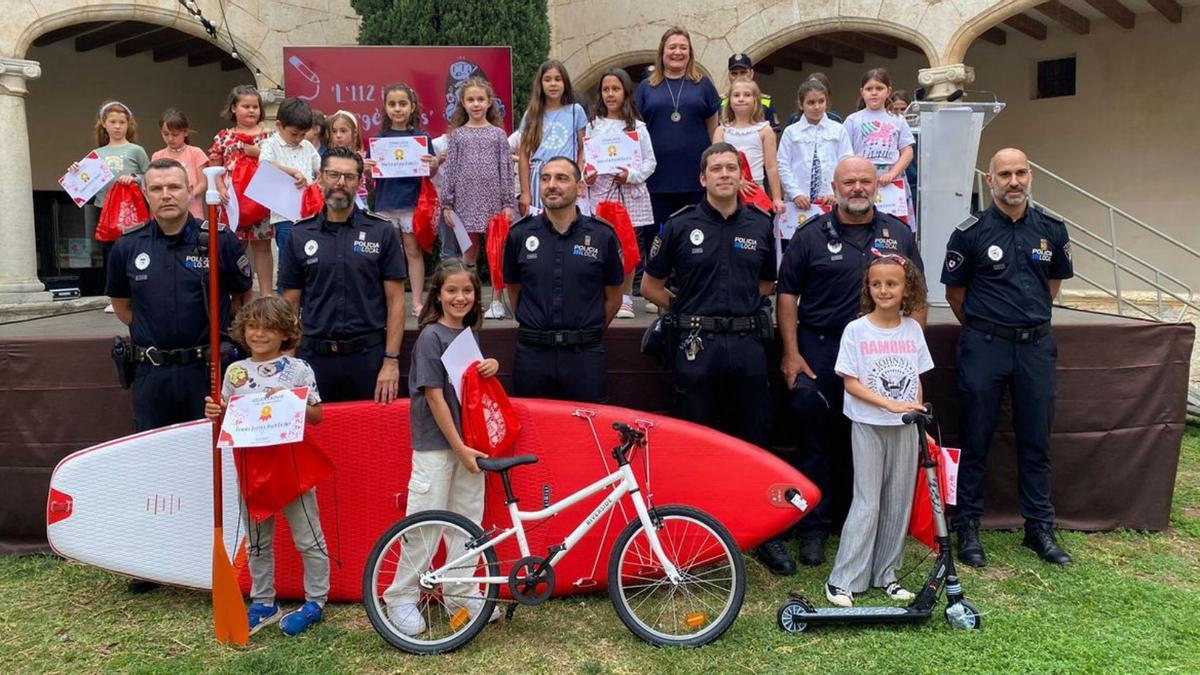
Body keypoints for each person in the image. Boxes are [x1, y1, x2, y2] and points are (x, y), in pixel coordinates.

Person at [769, 156, 923, 574]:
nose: (857, 188)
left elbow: (919, 296)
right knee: (816, 439)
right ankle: (814, 528)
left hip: (880, 352)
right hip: (820, 348)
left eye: (865, 181)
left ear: (877, 186)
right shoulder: (810, 235)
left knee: (870, 440)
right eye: (849, 181)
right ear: (834, 187)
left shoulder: (899, 233)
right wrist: (790, 352)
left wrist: (909, 350)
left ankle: (865, 527)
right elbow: (787, 295)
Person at [106, 157, 254, 593]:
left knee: (213, 463)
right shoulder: (127, 247)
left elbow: (243, 296)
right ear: (146, 194)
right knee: (153, 466)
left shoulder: (218, 241)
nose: (166, 195)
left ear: (190, 188)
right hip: (154, 375)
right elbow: (123, 307)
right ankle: (153, 560)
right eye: (157, 189)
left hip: (207, 372)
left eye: (174, 187)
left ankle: (219, 555)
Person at [942, 148, 1073, 568]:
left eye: (1020, 173)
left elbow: (1051, 287)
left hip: (1035, 346)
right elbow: (955, 295)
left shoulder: (1051, 229)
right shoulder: (970, 231)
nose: (1013, 181)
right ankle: (968, 527)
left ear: (1030, 176)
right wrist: (991, 327)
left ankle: (1039, 528)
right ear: (990, 180)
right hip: (985, 346)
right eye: (1005, 174)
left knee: (1036, 439)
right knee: (975, 438)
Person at [383, 259, 502, 636]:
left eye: (467, 290)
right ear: (438, 294)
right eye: (451, 290)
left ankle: (460, 593)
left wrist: (491, 365)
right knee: (427, 518)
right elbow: (434, 398)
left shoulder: (469, 335)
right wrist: (460, 448)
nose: (460, 297)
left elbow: (472, 386)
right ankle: (400, 595)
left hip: (470, 443)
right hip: (439, 445)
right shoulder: (431, 337)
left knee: (467, 519)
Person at [203, 296, 329, 637]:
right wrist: (216, 413)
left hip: (292, 468)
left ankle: (316, 600)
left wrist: (290, 400)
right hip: (251, 467)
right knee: (257, 541)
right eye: (253, 326)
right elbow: (228, 417)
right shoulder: (234, 371)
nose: (259, 334)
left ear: (285, 333)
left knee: (308, 538)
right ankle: (264, 601)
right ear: (243, 330)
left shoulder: (298, 370)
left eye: (269, 328)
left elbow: (317, 416)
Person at [641, 142, 776, 445]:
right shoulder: (679, 225)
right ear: (703, 178)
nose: (724, 175)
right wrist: (687, 308)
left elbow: (767, 284)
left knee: (752, 435)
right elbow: (650, 286)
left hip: (747, 344)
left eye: (731, 168)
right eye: (716, 169)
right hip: (697, 346)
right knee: (695, 438)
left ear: (742, 177)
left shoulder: (761, 224)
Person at [824, 254, 931, 607]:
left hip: (903, 427)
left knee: (897, 501)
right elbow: (851, 383)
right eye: (876, 284)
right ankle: (843, 579)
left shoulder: (912, 329)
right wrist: (888, 404)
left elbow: (915, 379)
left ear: (906, 288)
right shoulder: (857, 330)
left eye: (892, 284)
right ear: (868, 288)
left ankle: (886, 574)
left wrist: (916, 418)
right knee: (867, 501)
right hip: (869, 426)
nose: (883, 290)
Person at [278, 147, 408, 404]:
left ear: (360, 182)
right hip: (313, 358)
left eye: (349, 177)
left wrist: (391, 361)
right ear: (320, 177)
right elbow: (289, 304)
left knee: (368, 439)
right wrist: (288, 357)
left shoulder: (382, 232)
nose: (340, 183)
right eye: (333, 174)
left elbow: (396, 302)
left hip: (368, 358)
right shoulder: (299, 234)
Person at [503, 156, 624, 403]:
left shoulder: (603, 235)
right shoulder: (519, 235)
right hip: (533, 355)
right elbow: (514, 290)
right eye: (545, 179)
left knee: (587, 434)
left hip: (585, 356)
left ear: (580, 188)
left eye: (562, 178)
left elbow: (614, 297)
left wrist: (586, 332)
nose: (551, 185)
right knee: (533, 433)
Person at [634, 26, 722, 312]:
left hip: (694, 176)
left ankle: (692, 284)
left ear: (690, 52)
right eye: (672, 47)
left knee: (696, 232)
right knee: (657, 234)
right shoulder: (647, 87)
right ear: (662, 52)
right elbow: (635, 131)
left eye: (683, 47)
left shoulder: (703, 85)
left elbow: (714, 127)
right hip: (657, 177)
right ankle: (659, 286)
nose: (677, 52)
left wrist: (715, 161)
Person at [583, 68, 658, 319]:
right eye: (606, 89)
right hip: (602, 194)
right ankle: (602, 294)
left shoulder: (638, 127)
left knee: (628, 245)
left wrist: (631, 176)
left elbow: (650, 162)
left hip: (629, 192)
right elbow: (587, 161)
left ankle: (625, 297)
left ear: (625, 92)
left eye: (615, 89)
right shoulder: (593, 125)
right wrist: (588, 175)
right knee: (602, 243)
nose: (610, 94)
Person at [438, 77, 516, 311]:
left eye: (481, 99)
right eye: (471, 100)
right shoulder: (458, 135)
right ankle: (471, 300)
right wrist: (447, 205)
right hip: (466, 203)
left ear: (490, 102)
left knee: (496, 253)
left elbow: (506, 169)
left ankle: (496, 301)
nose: (476, 104)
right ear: (462, 103)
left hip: (494, 203)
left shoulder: (498, 135)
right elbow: (450, 171)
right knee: (469, 254)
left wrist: (508, 203)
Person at [72, 101, 150, 312]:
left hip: (132, 209)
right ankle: (115, 297)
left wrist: (134, 178)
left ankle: (138, 293)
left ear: (129, 124)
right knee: (111, 253)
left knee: (135, 249)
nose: (117, 126)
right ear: (104, 124)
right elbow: (84, 182)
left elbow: (150, 176)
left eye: (121, 122)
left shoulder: (137, 150)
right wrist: (75, 171)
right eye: (113, 122)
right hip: (105, 209)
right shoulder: (97, 154)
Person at [369, 84, 438, 316]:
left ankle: (417, 301)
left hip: (411, 203)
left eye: (402, 104)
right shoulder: (378, 139)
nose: (397, 109)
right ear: (385, 108)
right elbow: (371, 176)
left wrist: (434, 163)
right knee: (385, 253)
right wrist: (367, 169)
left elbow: (429, 172)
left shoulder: (421, 138)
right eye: (392, 104)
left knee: (413, 251)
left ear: (412, 107)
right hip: (386, 203)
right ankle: (385, 302)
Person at [209, 85, 272, 292]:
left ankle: (265, 294)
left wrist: (257, 153)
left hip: (261, 200)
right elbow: (215, 165)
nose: (252, 110)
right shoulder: (223, 136)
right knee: (236, 248)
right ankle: (239, 295)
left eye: (255, 106)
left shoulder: (269, 137)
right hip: (232, 201)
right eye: (246, 106)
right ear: (234, 108)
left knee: (262, 247)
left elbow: (276, 165)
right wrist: (220, 188)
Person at [260, 97, 321, 296]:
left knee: (312, 259)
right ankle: (285, 308)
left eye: (302, 135)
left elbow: (320, 169)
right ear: (279, 126)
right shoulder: (270, 145)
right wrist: (291, 171)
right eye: (294, 134)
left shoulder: (307, 147)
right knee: (288, 262)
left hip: (309, 215)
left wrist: (319, 180)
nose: (298, 139)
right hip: (284, 216)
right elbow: (265, 165)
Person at [777, 79, 854, 234]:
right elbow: (783, 164)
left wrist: (836, 193)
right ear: (801, 104)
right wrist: (795, 193)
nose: (817, 107)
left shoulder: (838, 130)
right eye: (811, 102)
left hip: (830, 201)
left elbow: (846, 163)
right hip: (798, 204)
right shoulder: (791, 132)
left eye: (821, 101)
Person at [844, 69, 915, 224]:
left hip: (892, 180)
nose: (874, 93)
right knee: (864, 222)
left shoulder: (897, 120)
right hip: (862, 181)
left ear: (888, 91)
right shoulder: (853, 120)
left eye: (879, 88)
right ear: (862, 92)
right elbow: (845, 154)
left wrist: (893, 173)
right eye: (869, 89)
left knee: (894, 225)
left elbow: (907, 151)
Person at [518, 60, 587, 218]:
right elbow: (523, 155)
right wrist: (525, 192)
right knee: (541, 223)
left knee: (567, 219)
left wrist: (578, 175)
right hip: (540, 175)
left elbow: (583, 147)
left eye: (558, 79)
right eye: (547, 80)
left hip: (566, 174)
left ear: (565, 83)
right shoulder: (532, 115)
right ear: (540, 84)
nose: (553, 84)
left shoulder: (575, 111)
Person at [713, 78, 785, 212]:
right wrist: (737, 181)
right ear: (729, 101)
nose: (741, 99)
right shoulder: (721, 131)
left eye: (747, 95)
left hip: (754, 188)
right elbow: (715, 164)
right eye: (736, 95)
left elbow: (771, 166)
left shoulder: (765, 130)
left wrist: (776, 198)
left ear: (755, 100)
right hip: (727, 187)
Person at [151, 108, 208, 220]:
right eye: (166, 134)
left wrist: (188, 196)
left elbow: (203, 183)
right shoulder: (157, 156)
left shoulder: (196, 153)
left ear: (185, 132)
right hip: (166, 210)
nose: (170, 138)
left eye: (175, 134)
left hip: (192, 211)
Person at [327, 109, 371, 209]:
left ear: (355, 132)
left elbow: (373, 181)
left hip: (361, 201)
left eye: (343, 131)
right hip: (337, 202)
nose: (338, 135)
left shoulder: (363, 156)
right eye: (334, 131)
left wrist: (369, 172)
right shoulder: (329, 158)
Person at [721, 53, 778, 129]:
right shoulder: (720, 102)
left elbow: (772, 133)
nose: (739, 77)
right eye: (734, 73)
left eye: (743, 72)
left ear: (751, 73)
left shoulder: (766, 102)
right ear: (729, 76)